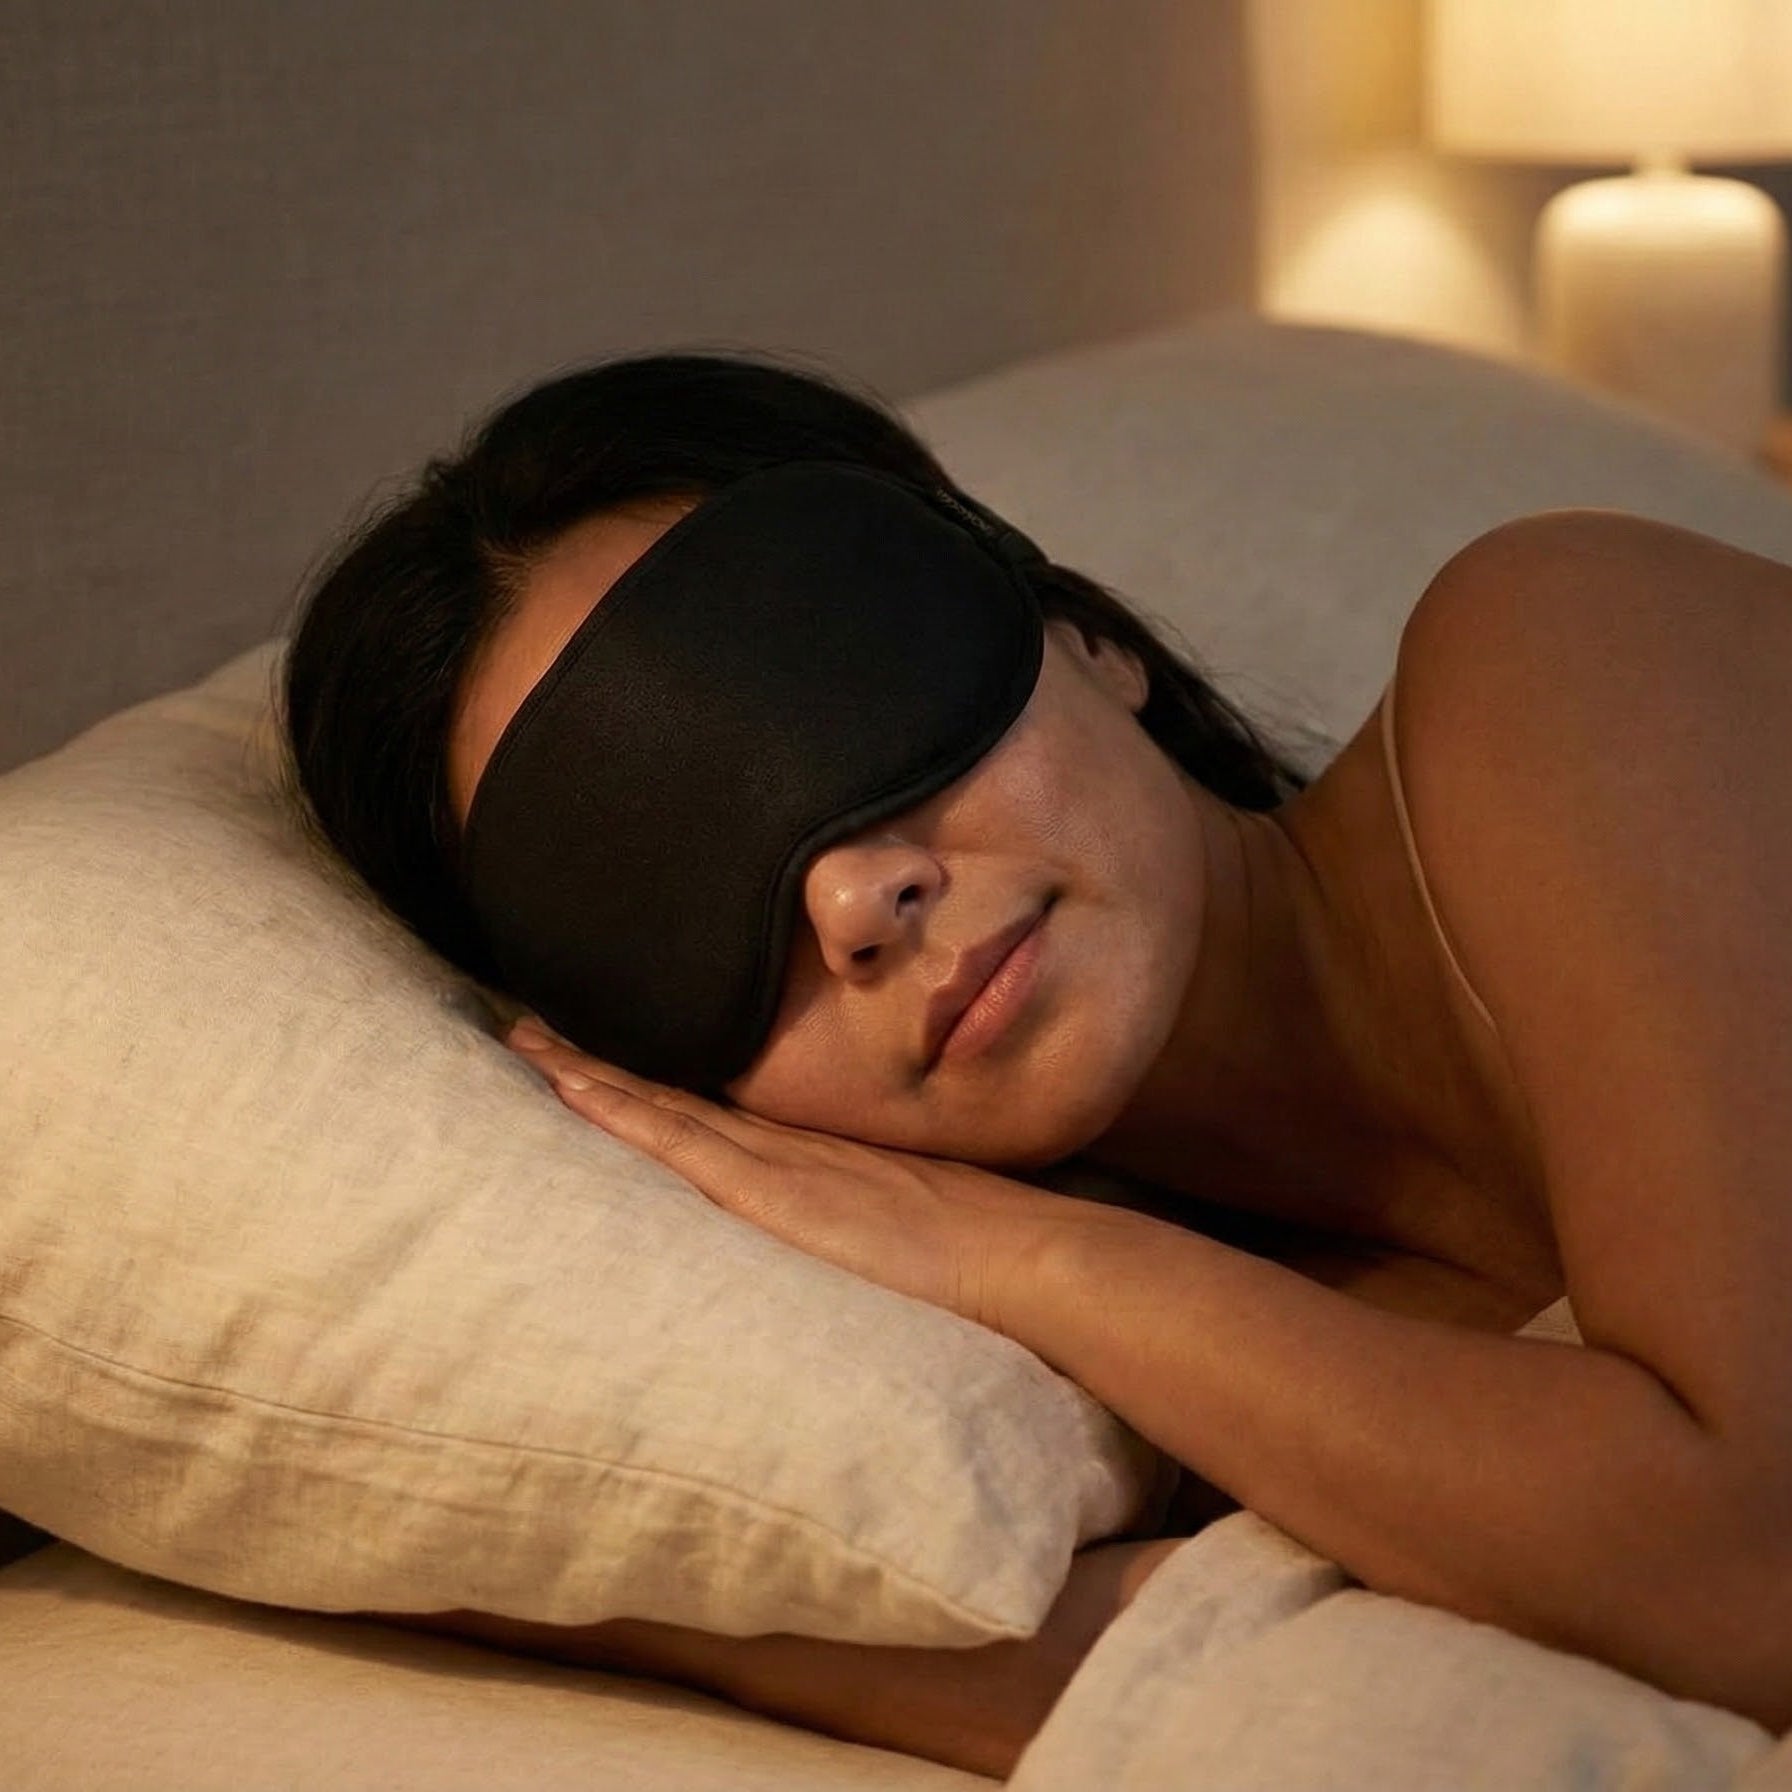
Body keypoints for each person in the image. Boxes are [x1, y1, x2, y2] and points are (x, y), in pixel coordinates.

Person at [283, 348, 1792, 1773]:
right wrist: (613, 1598)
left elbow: (1753, 1565)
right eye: (659, 894)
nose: (854, 901)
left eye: (824, 690)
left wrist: (1037, 1261)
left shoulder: (1572, 652)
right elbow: (1267, 1712)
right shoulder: (1212, 1398)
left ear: (1085, 636)